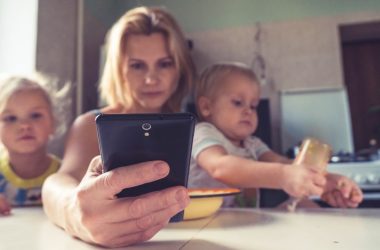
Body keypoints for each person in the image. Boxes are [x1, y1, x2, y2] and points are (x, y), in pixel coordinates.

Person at [41, 6, 195, 248]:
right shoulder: (90, 125)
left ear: (179, 68)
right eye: (137, 65)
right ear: (118, 69)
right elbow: (58, 182)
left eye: (164, 64)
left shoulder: (194, 129)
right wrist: (73, 212)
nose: (151, 78)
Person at [188, 62, 363, 208]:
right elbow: (220, 167)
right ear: (206, 107)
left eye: (253, 105)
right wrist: (283, 176)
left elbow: (283, 163)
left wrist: (324, 181)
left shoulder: (252, 143)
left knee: (305, 206)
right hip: (203, 225)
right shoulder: (201, 132)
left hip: (241, 221)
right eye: (238, 102)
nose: (248, 111)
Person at [0, 73, 69, 215]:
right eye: (11, 118)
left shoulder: (67, 175)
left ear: (53, 122)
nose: (24, 125)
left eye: (35, 115)